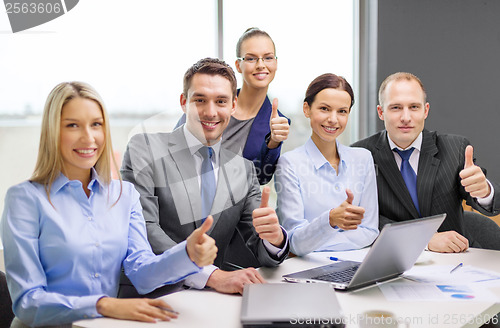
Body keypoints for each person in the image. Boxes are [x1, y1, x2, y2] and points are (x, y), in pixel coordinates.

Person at [0, 82, 218, 327]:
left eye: (96, 124)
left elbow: (142, 272)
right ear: (53, 132)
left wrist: (187, 253)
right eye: (73, 125)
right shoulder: (25, 199)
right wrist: (104, 305)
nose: (89, 137)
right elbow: (27, 302)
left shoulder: (124, 195)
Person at [121, 58, 289, 296]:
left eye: (221, 101)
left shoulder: (244, 170)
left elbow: (258, 247)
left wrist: (275, 238)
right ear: (183, 102)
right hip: (150, 296)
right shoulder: (144, 148)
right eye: (199, 100)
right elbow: (145, 229)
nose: (210, 112)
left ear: (233, 105)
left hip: (213, 302)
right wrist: (211, 275)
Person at [352, 72, 500, 253]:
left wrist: (484, 191)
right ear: (381, 112)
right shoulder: (360, 154)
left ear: (425, 110)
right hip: (391, 260)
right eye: (396, 107)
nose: (406, 117)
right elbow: (365, 218)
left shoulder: (455, 148)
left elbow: (488, 203)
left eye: (414, 107)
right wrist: (423, 240)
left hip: (454, 261)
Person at [275, 74, 379, 256]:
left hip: (357, 264)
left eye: (342, 111)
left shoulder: (363, 158)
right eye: (324, 109)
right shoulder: (289, 164)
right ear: (307, 109)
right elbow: (295, 242)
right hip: (308, 270)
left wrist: (316, 238)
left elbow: (370, 232)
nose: (333, 119)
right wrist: (330, 220)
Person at [175, 27, 290, 185]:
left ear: (276, 63)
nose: (261, 65)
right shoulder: (209, 101)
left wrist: (274, 142)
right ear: (238, 65)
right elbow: (174, 151)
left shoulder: (277, 122)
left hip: (234, 206)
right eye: (251, 58)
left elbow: (260, 178)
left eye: (268, 58)